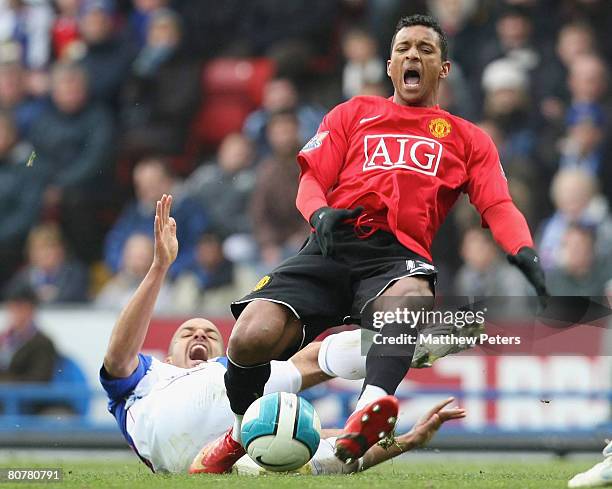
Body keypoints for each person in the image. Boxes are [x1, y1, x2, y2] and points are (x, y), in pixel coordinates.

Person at [197, 14, 549, 473]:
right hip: (329, 246)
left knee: (409, 302)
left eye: (425, 49)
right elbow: (311, 180)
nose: (413, 55)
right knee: (250, 336)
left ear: (443, 69)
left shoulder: (467, 138)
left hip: (395, 257)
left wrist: (522, 249)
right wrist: (318, 213)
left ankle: (370, 407)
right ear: (389, 65)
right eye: (404, 48)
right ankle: (241, 433)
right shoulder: (353, 113)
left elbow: (498, 204)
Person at [100, 194, 466, 474]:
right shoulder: (149, 378)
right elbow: (117, 356)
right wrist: (159, 268)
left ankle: (394, 341)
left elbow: (337, 440)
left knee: (304, 439)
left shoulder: (228, 374)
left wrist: (407, 440)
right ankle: (401, 342)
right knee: (300, 370)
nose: (199, 334)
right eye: (187, 333)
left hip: (239, 445)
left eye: (209, 334)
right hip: (175, 439)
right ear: (166, 357)